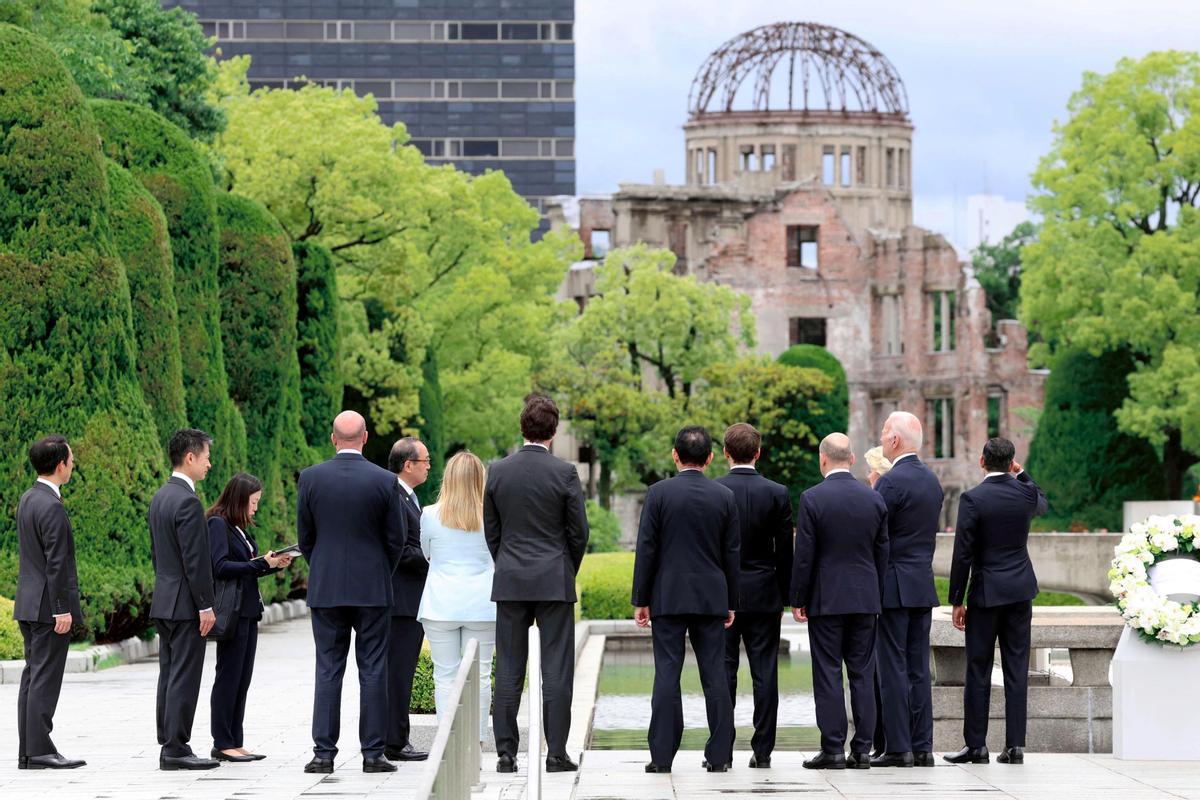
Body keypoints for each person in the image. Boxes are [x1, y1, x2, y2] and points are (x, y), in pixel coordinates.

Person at [485, 395, 589, 774]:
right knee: (557, 669)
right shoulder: (564, 473)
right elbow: (579, 532)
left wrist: (507, 563)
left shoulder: (497, 471)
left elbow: (492, 531)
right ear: (554, 431)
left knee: (510, 668)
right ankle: (556, 753)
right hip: (554, 578)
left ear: (521, 427)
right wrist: (565, 568)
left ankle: (506, 753)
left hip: (511, 578)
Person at [298, 411, 406, 774]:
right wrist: (379, 572)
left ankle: (323, 754)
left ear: (333, 439)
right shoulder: (385, 480)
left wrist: (324, 569)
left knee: (328, 669)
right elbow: (397, 539)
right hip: (373, 588)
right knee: (373, 669)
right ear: (365, 438)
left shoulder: (311, 479)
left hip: (327, 588)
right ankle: (373, 754)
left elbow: (306, 539)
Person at [633, 426, 740, 775]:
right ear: (710, 458)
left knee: (667, 672)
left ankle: (662, 756)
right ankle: (720, 754)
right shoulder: (724, 496)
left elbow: (646, 549)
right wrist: (731, 600)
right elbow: (731, 554)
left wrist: (641, 598)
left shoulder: (658, 494)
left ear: (675, 455)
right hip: (711, 596)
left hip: (667, 594)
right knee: (715, 675)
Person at [943, 438, 1047, 766]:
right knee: (1017, 669)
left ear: (981, 461)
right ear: (1011, 462)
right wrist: (1023, 473)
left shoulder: (973, 499)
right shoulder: (1025, 493)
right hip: (1020, 591)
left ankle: (976, 746)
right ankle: (1014, 746)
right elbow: (1043, 502)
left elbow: (963, 553)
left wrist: (956, 600)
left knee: (978, 668)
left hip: (987, 593)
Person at [790, 434, 889, 770]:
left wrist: (798, 598)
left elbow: (804, 555)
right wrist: (876, 594)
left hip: (826, 598)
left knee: (829, 673)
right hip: (865, 599)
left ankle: (832, 748)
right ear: (852, 458)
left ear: (823, 459)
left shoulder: (812, 499)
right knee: (862, 673)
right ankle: (862, 750)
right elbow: (882, 554)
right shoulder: (873, 499)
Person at [714, 422, 792, 769]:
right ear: (758, 453)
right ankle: (762, 751)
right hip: (764, 592)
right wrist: (787, 596)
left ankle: (721, 749)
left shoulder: (715, 490)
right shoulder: (777, 492)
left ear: (726, 453)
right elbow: (785, 552)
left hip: (723, 596)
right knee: (765, 673)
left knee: (722, 673)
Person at [872, 411, 943, 768]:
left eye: (885, 433)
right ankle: (923, 745)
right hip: (922, 583)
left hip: (892, 584)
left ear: (895, 441)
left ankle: (898, 746)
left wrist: (872, 490)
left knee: (892, 667)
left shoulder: (890, 482)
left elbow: (876, 535)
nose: (882, 439)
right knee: (918, 668)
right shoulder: (933, 482)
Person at [206, 472, 293, 763]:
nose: (255, 508)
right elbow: (220, 566)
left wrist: (272, 565)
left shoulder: (239, 528)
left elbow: (247, 566)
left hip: (248, 611)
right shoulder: (218, 524)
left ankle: (235, 739)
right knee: (228, 676)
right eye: (253, 502)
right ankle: (221, 741)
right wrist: (259, 563)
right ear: (239, 499)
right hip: (233, 613)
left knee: (242, 678)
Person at [149, 428, 219, 770]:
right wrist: (205, 605)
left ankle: (169, 741)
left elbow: (158, 555)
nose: (209, 464)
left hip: (164, 598)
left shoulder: (161, 496)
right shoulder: (188, 502)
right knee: (185, 675)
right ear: (189, 458)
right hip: (186, 604)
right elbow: (196, 561)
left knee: (169, 673)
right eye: (206, 458)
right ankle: (177, 747)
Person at [14, 435, 85, 770]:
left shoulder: (28, 499)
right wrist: (62, 608)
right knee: (43, 678)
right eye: (71, 461)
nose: (73, 466)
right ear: (60, 465)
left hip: (28, 603)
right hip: (47, 607)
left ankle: (30, 751)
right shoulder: (52, 505)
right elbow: (56, 562)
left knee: (32, 677)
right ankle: (39, 750)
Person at [418, 451, 496, 742]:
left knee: (445, 675)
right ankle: (476, 739)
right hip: (483, 603)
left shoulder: (429, 514)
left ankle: (448, 740)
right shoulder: (491, 514)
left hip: (441, 603)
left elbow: (427, 553)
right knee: (481, 674)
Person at [384, 437, 432, 763]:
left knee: (402, 672)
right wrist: (434, 557)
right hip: (401, 600)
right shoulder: (395, 497)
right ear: (408, 464)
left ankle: (396, 738)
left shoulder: (410, 498)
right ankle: (395, 741)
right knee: (398, 673)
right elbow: (401, 549)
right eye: (425, 460)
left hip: (409, 598)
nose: (430, 465)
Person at [862, 444, 892, 755]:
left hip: (878, 595)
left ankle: (879, 740)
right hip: (879, 593)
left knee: (876, 672)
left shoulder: (876, 502)